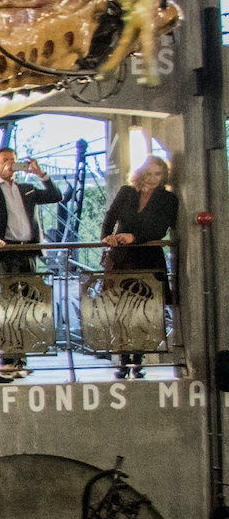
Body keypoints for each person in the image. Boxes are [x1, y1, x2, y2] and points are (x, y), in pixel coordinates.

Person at [0, 145, 61, 377]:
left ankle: (19, 357)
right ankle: (7, 356)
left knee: (26, 304)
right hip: (6, 251)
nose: (10, 164)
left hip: (29, 251)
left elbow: (56, 196)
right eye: (5, 160)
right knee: (8, 304)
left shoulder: (27, 188)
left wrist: (40, 174)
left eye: (13, 160)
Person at [101, 155, 177, 378]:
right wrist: (107, 237)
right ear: (141, 173)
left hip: (147, 258)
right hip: (121, 258)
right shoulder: (127, 192)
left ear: (164, 176)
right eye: (150, 173)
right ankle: (123, 360)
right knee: (122, 310)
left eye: (158, 174)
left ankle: (138, 360)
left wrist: (135, 236)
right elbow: (110, 216)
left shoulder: (167, 199)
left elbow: (161, 228)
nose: (153, 178)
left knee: (144, 311)